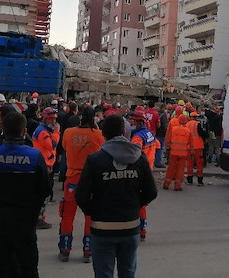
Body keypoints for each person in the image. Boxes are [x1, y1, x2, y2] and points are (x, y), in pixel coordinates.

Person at [76, 115, 158, 278]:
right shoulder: (139, 158)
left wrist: (93, 211)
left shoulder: (95, 160)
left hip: (102, 228)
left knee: (103, 274)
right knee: (128, 273)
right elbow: (151, 192)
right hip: (130, 226)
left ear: (103, 134)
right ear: (124, 132)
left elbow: (81, 195)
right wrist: (135, 205)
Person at [0, 112, 52, 278]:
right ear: (24, 131)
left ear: (2, 130)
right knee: (28, 267)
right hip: (24, 222)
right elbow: (45, 188)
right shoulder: (34, 155)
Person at [59, 107, 105, 263]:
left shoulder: (68, 132)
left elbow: (65, 147)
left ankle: (65, 249)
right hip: (91, 179)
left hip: (72, 178)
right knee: (90, 215)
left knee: (67, 215)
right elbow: (101, 150)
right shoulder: (98, 135)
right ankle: (88, 250)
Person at [129, 107, 160, 241]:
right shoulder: (150, 134)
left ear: (137, 122)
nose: (130, 122)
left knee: (137, 203)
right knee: (143, 203)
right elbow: (157, 147)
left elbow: (133, 155)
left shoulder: (137, 137)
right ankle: (142, 229)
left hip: (139, 172)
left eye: (132, 120)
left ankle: (139, 230)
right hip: (149, 170)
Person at [32, 107, 60, 229]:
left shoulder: (44, 130)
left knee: (42, 192)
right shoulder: (43, 132)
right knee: (42, 193)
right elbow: (52, 145)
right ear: (45, 118)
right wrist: (57, 132)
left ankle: (39, 217)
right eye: (51, 119)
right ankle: (38, 218)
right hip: (44, 165)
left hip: (46, 164)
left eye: (54, 119)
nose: (53, 121)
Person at [163, 114, 194, 191]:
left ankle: (166, 184)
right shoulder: (188, 131)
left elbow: (168, 140)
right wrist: (192, 153)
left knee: (171, 168)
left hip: (173, 152)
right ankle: (177, 186)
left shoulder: (174, 129)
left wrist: (168, 149)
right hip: (183, 154)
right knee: (180, 170)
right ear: (186, 121)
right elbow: (191, 144)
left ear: (179, 120)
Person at [185, 111, 206, 186]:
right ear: (196, 117)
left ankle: (189, 180)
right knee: (199, 163)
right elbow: (202, 133)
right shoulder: (197, 124)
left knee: (190, 164)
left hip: (189, 147)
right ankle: (200, 181)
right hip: (198, 147)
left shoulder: (186, 124)